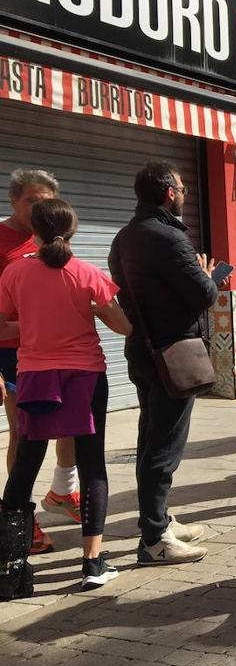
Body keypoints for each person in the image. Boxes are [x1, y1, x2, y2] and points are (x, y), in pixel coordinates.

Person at [0, 199, 132, 596]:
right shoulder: (88, 273)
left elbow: (3, 324)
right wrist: (90, 310)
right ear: (72, 230)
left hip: (35, 377)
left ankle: (11, 567)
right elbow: (124, 327)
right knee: (93, 465)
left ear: (33, 231)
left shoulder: (14, 273)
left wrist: (34, 319)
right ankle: (93, 563)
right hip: (85, 377)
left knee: (25, 464)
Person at [109, 161, 218, 565]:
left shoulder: (124, 237)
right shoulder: (170, 238)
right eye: (184, 189)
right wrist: (208, 274)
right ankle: (155, 540)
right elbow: (203, 294)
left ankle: (157, 520)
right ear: (170, 193)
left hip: (142, 351)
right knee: (164, 447)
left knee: (149, 440)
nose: (187, 194)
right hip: (172, 354)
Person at [0, 169, 78, 555]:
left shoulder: (54, 240)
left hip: (56, 351)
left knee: (73, 424)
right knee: (24, 435)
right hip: (12, 352)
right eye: (32, 200)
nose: (39, 207)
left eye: (45, 200)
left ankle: (63, 491)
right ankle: (21, 520)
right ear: (14, 200)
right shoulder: (1, 241)